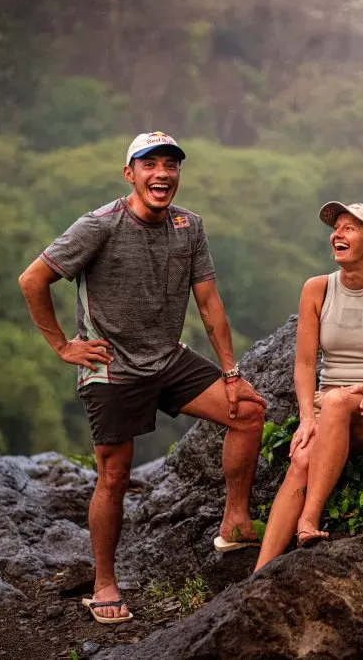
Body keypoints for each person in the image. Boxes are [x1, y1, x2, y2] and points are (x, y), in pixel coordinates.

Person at [18, 132, 267, 624]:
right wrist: (63, 346)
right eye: (149, 164)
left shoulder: (187, 226)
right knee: (114, 475)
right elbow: (33, 279)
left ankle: (235, 521)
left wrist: (232, 372)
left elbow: (209, 302)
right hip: (111, 366)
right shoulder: (100, 226)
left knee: (249, 411)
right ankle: (105, 583)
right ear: (129, 173)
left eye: (170, 165)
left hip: (168, 358)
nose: (162, 174)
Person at [253, 202, 363, 571]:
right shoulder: (317, 289)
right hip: (329, 405)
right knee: (300, 457)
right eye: (337, 228)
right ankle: (258, 574)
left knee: (334, 402)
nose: (338, 234)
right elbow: (304, 363)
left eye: (350, 228)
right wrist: (305, 419)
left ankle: (308, 519)